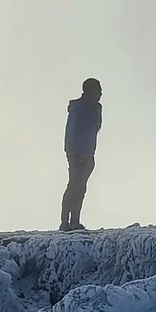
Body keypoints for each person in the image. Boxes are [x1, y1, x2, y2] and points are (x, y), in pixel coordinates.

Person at [60, 78, 103, 231]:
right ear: (90, 92)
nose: (101, 94)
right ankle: (66, 222)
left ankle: (74, 221)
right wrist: (79, 153)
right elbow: (76, 132)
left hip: (87, 151)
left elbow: (92, 130)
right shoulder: (81, 108)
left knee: (80, 187)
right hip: (78, 152)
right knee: (74, 186)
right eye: (98, 90)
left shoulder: (94, 107)